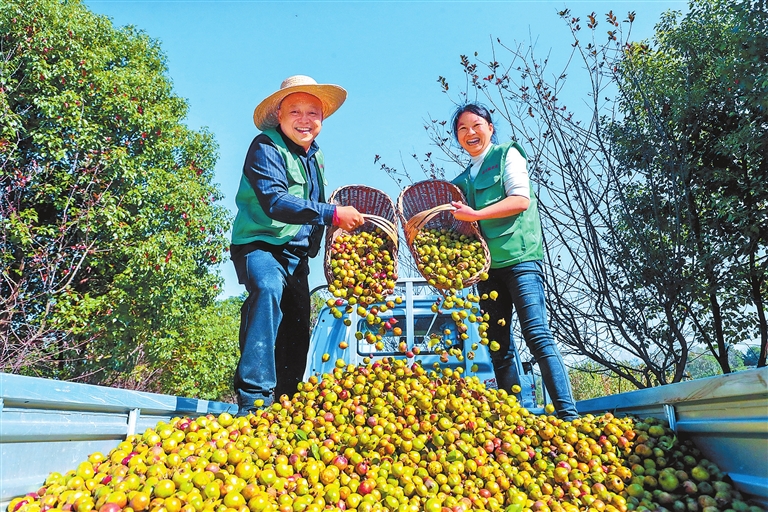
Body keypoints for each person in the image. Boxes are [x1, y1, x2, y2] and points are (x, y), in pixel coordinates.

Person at [230, 75, 364, 416]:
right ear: (279, 114)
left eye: (312, 113)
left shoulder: (315, 159)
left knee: (297, 325)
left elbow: (315, 209)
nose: (305, 120)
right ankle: (254, 400)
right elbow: (276, 201)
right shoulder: (265, 147)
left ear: (321, 119)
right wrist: (333, 214)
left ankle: (285, 403)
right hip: (261, 245)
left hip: (296, 256)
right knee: (267, 290)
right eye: (295, 111)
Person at [448, 103, 579, 420]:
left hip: (519, 258)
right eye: (462, 129)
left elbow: (520, 200)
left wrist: (476, 214)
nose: (470, 133)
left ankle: (568, 413)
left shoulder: (508, 155)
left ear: (490, 128)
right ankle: (514, 418)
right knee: (498, 344)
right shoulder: (461, 180)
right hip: (485, 269)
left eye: (476, 125)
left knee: (537, 334)